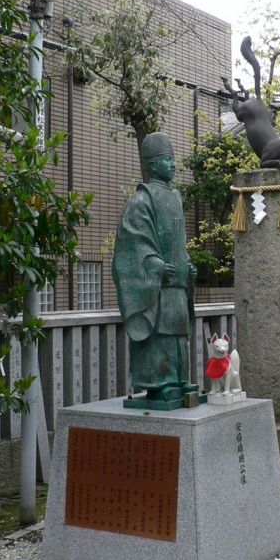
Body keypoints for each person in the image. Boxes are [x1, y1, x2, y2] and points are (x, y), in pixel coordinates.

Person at [112, 133, 197, 405]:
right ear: (151, 164)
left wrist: (187, 266)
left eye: (173, 159)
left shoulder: (176, 197)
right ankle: (159, 383)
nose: (173, 164)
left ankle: (178, 378)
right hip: (155, 288)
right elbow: (132, 243)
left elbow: (178, 242)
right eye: (167, 160)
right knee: (158, 338)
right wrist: (154, 265)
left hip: (176, 289)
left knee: (178, 339)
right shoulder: (140, 200)